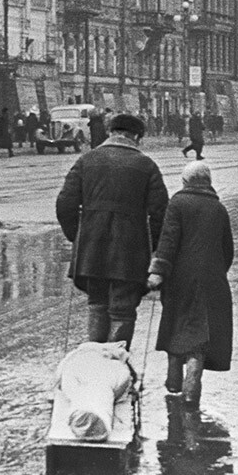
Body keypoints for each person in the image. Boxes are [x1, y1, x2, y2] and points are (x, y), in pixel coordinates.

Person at [56, 113, 169, 349]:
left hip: (91, 248)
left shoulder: (87, 160)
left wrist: (78, 236)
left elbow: (65, 204)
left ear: (110, 133)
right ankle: (116, 362)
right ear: (136, 136)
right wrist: (152, 247)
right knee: (123, 309)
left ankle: (95, 363)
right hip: (130, 250)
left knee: (97, 303)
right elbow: (160, 213)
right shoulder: (146, 165)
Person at [147, 161, 234, 408]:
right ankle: (191, 388)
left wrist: (158, 272)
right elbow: (227, 250)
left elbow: (168, 242)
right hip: (212, 280)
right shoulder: (219, 208)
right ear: (208, 182)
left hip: (179, 279)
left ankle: (174, 383)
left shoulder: (178, 203)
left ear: (185, 182)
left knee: (177, 326)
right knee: (199, 336)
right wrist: (216, 273)